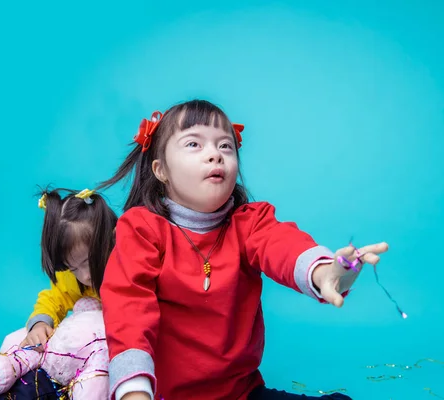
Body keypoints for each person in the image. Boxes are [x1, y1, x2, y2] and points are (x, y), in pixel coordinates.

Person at [98, 100, 389, 400]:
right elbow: (128, 307)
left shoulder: (250, 222)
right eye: (194, 144)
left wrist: (325, 272)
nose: (215, 155)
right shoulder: (142, 228)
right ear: (161, 170)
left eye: (225, 146)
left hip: (242, 393)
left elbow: (282, 245)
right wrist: (134, 392)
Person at [20, 187, 118, 350]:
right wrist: (40, 324)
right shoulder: (71, 280)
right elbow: (52, 300)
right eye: (73, 268)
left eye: (88, 262)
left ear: (113, 239)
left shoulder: (132, 269)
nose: (85, 276)